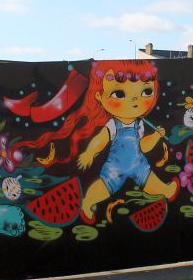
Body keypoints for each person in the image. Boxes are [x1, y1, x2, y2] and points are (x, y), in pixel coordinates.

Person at [16, 60, 178, 223]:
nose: (135, 100)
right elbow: (100, 139)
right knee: (102, 187)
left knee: (152, 183)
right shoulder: (113, 125)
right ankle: (87, 202)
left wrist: (155, 137)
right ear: (100, 97)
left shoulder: (139, 125)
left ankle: (166, 190)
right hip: (115, 168)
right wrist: (90, 152)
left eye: (146, 91)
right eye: (119, 94)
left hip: (139, 164)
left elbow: (143, 146)